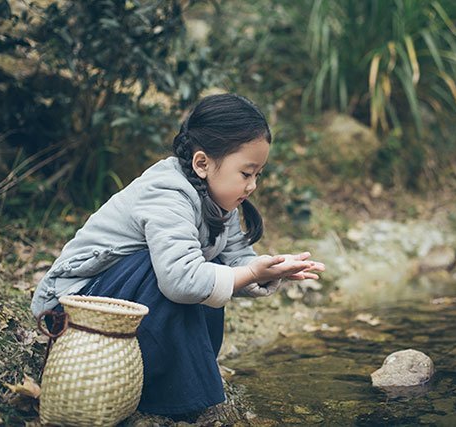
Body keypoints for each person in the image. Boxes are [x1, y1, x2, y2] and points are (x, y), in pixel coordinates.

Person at [31, 93, 325, 418]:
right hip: (72, 308)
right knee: (181, 274)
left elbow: (237, 260)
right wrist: (250, 273)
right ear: (202, 163)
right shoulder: (167, 193)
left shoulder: (219, 200)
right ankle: (171, 395)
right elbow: (180, 282)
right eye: (246, 173)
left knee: (206, 274)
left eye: (258, 174)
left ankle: (172, 386)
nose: (253, 185)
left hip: (120, 298)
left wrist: (267, 270)